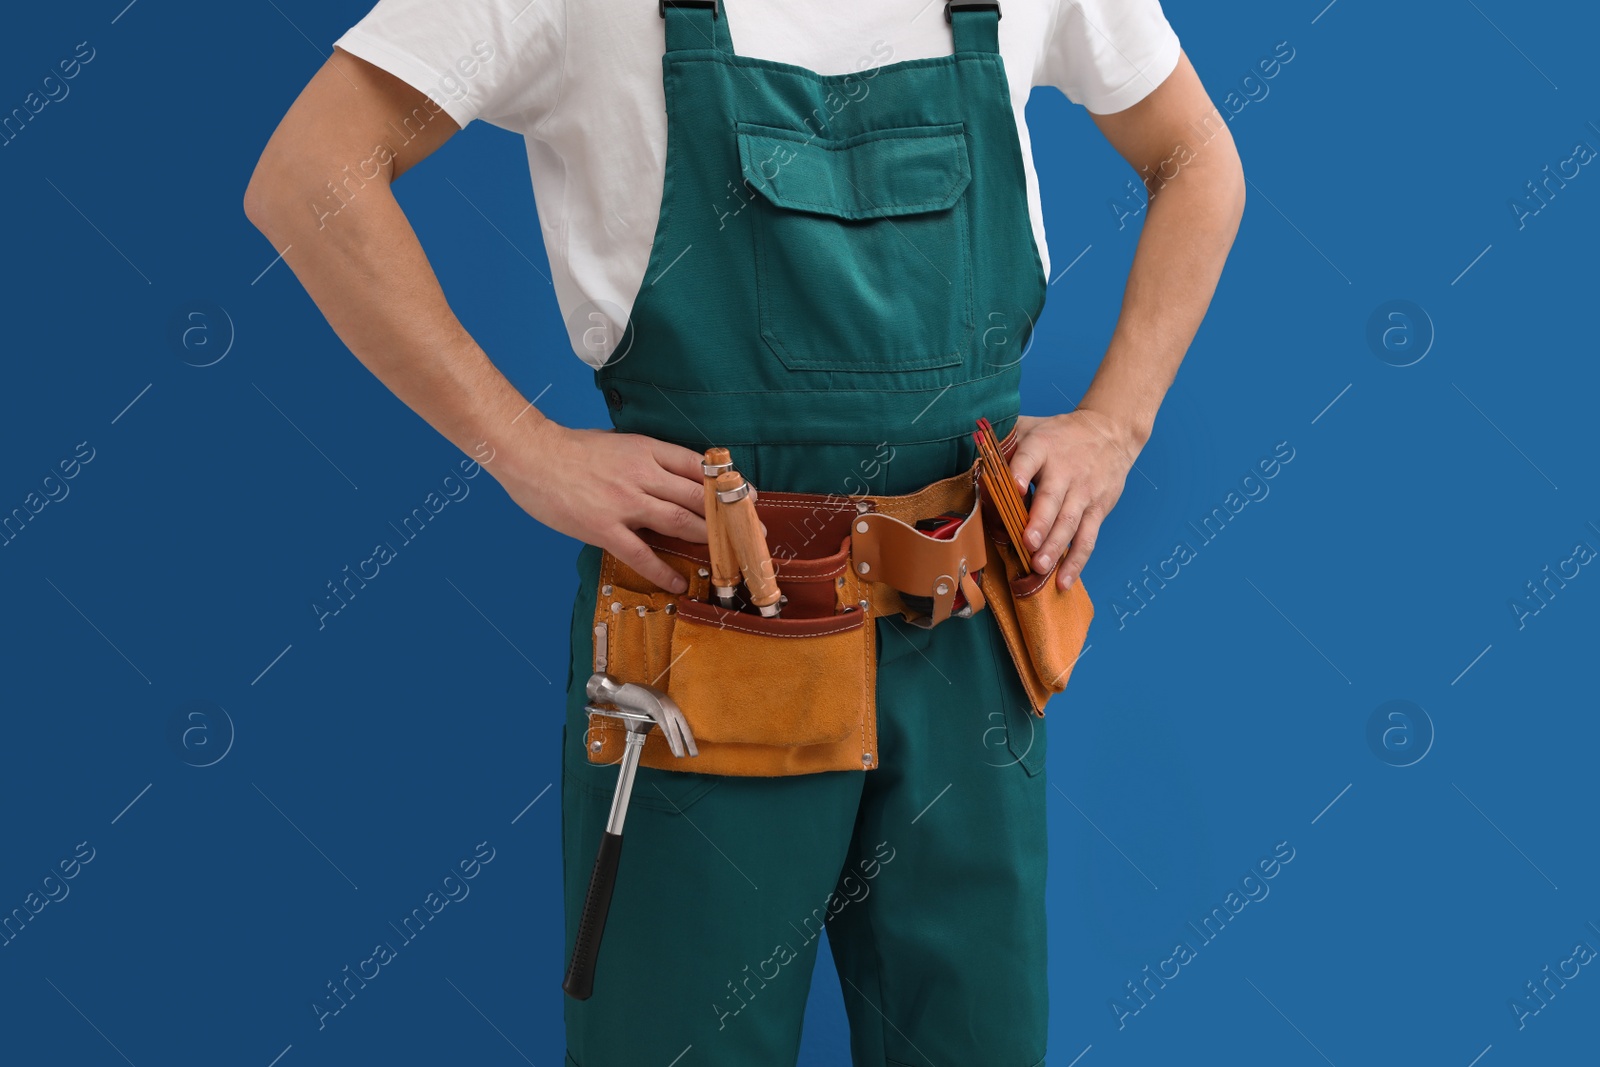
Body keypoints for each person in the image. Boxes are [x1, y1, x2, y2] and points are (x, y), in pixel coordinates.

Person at [244, 1, 1243, 1063]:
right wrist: (521, 448)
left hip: (964, 634)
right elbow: (311, 173)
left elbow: (1194, 156)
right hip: (707, 642)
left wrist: (1117, 422)